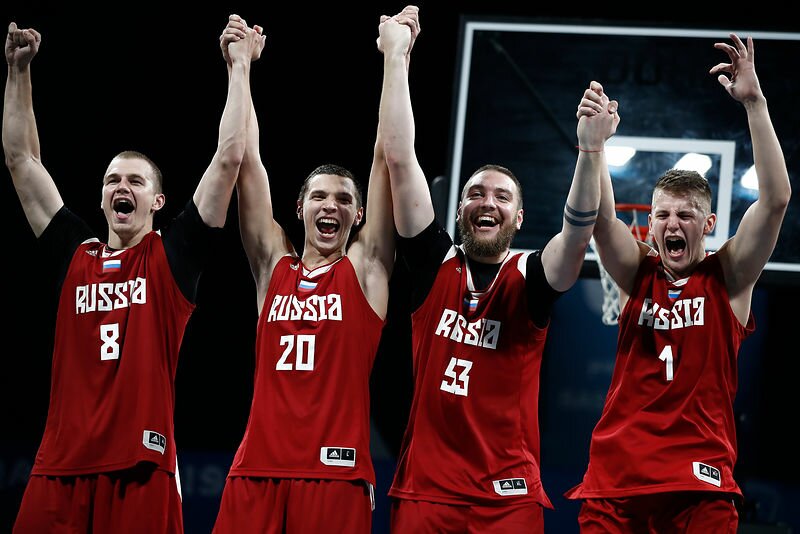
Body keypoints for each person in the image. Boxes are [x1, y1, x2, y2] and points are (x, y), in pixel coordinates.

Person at [4, 17, 263, 533]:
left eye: (135, 181)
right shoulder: (74, 254)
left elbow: (229, 157)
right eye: (112, 180)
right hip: (60, 466)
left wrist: (240, 68)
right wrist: (18, 71)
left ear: (157, 200)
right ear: (103, 197)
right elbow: (21, 159)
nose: (122, 187)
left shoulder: (173, 256)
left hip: (141, 469)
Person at [377, 7, 620, 531]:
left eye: (502, 196)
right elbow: (399, 157)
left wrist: (591, 149)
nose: (487, 202)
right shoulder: (429, 262)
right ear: (458, 207)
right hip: (425, 492)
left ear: (520, 216)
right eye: (475, 193)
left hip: (506, 498)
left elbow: (578, 231)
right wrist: (396, 57)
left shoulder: (531, 278)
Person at [565, 33, 791, 532]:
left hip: (698, 483)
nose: (671, 224)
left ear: (708, 225)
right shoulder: (637, 273)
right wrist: (594, 146)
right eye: (661, 214)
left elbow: (775, 201)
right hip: (616, 481)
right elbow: (602, 221)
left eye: (685, 216)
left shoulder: (728, 277)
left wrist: (754, 103)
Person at [210, 10, 418, 533]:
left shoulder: (366, 270)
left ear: (360, 215)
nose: (333, 205)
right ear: (299, 208)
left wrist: (396, 57)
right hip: (255, 468)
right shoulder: (270, 265)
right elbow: (244, 158)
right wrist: (240, 68)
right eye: (320, 196)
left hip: (335, 476)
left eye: (345, 199)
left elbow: (388, 156)